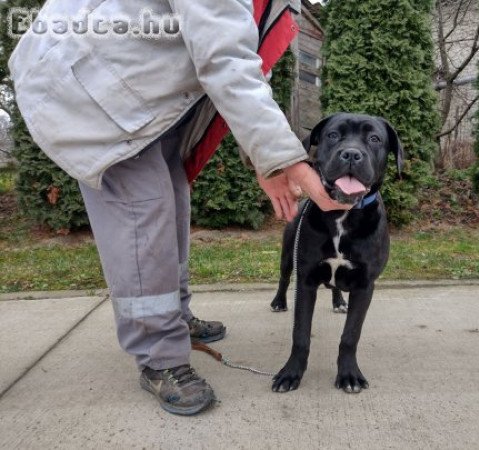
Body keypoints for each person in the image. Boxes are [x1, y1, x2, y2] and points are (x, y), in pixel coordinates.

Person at [9, 0, 348, 416]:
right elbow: (225, 60)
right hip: (90, 89)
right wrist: (284, 159)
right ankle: (159, 358)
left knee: (172, 196)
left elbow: (247, 63)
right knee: (143, 212)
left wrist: (264, 158)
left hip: (139, 92)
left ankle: (175, 318)